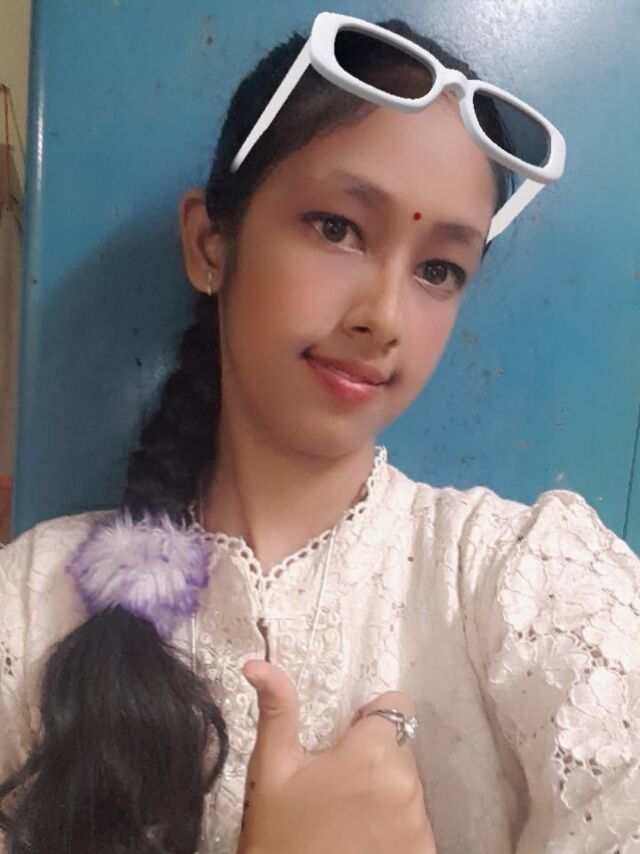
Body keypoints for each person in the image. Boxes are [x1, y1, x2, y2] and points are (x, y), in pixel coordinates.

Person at [1, 12, 638, 854]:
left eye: (439, 270)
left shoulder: (525, 582)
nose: (384, 317)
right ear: (209, 245)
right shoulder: (31, 607)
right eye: (337, 228)